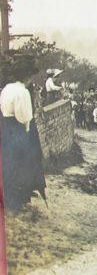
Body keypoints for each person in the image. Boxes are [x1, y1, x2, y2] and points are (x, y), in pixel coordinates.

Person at [0, 52, 47, 212]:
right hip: (17, 130)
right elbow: (24, 118)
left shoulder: (7, 88)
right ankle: (18, 201)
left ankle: (8, 198)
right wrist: (27, 132)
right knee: (23, 164)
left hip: (5, 128)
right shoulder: (23, 92)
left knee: (8, 163)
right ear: (27, 75)